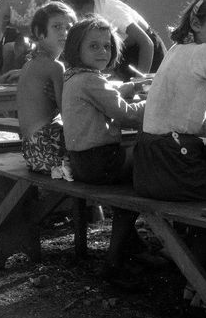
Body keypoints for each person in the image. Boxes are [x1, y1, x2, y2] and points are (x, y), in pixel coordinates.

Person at [132, 0, 206, 304]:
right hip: (174, 161)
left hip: (150, 160)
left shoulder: (179, 49)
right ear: (196, 22)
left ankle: (195, 284)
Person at [61, 15, 148, 285]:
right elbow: (127, 116)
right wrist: (155, 99)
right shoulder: (91, 81)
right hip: (101, 161)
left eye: (107, 46)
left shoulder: (74, 77)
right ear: (77, 49)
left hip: (81, 162)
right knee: (151, 162)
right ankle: (114, 260)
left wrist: (126, 88)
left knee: (140, 163)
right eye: (94, 46)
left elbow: (106, 94)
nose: (102, 51)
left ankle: (134, 248)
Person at [51, 0, 166, 80]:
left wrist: (139, 82)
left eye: (63, 3)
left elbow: (146, 43)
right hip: (125, 59)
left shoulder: (108, 8)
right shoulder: (80, 20)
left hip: (148, 55)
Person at [16, 2, 76, 179]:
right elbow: (68, 112)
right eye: (57, 27)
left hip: (32, 152)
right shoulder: (55, 66)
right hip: (49, 149)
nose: (64, 32)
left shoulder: (30, 63)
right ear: (39, 33)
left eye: (68, 27)